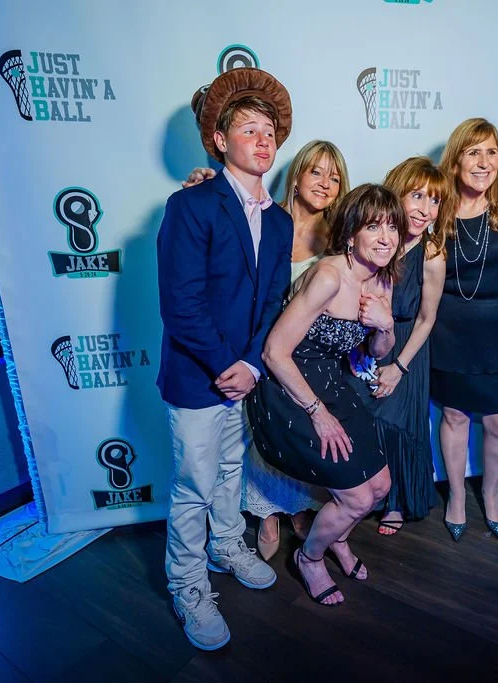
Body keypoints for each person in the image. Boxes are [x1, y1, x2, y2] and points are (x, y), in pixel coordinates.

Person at [156, 68, 293, 650]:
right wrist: (225, 366)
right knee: (194, 483)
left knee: (233, 469)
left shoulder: (281, 220)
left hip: (247, 376)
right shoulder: (191, 205)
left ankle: (227, 545)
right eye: (249, 130)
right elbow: (180, 304)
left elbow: (275, 302)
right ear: (218, 139)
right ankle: (187, 584)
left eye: (270, 132)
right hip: (197, 376)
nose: (263, 141)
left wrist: (254, 365)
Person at [184, 140, 351, 560]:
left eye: (334, 178)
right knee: (258, 434)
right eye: (316, 172)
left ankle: (296, 505)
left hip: (304, 355)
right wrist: (205, 183)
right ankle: (267, 511)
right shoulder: (261, 216)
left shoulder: (339, 238)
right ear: (296, 176)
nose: (325, 183)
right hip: (255, 346)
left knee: (296, 433)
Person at [248, 183, 400, 606]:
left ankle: (337, 539)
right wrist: (318, 413)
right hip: (288, 390)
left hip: (330, 382)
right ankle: (310, 557)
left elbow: (376, 352)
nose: (386, 237)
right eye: (374, 227)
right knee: (356, 497)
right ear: (351, 234)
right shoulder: (328, 277)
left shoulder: (382, 278)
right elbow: (274, 352)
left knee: (381, 486)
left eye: (392, 227)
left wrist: (386, 325)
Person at [429, 118, 498, 542]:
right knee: (454, 416)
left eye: (492, 152)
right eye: (474, 152)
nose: (484, 161)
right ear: (455, 161)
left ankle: (490, 493)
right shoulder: (437, 206)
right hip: (452, 336)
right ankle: (456, 496)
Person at [347, 157, 449, 536]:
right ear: (397, 193)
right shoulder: (376, 238)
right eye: (417, 196)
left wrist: (399, 368)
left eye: (434, 200)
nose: (425, 209)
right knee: (363, 419)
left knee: (398, 425)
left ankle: (397, 501)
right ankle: (365, 493)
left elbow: (427, 318)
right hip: (365, 343)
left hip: (408, 348)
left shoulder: (432, 254)